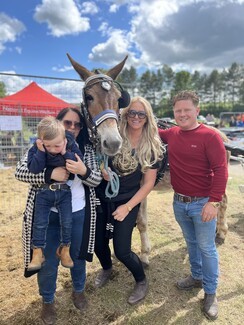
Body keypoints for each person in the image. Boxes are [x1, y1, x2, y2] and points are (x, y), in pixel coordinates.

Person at [15, 107, 102, 325]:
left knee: (77, 255)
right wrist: (48, 174)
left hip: (77, 212)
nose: (72, 128)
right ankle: (47, 301)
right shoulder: (42, 143)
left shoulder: (86, 150)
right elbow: (20, 171)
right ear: (58, 123)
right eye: (67, 123)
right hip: (48, 214)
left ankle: (78, 290)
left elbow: (96, 180)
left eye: (77, 124)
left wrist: (83, 171)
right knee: (47, 261)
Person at [158, 90, 228, 320]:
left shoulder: (210, 136)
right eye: (178, 110)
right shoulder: (172, 134)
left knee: (207, 248)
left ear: (197, 111)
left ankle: (210, 293)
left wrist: (214, 202)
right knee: (191, 243)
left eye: (187, 110)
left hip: (202, 204)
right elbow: (151, 132)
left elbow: (221, 170)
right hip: (180, 202)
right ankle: (196, 276)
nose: (182, 114)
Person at [94, 96, 164, 305]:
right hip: (104, 195)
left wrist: (128, 207)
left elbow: (148, 183)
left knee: (122, 250)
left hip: (128, 200)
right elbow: (101, 159)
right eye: (131, 112)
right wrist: (104, 171)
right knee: (98, 243)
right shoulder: (116, 135)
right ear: (125, 114)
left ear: (147, 117)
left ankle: (141, 280)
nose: (135, 117)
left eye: (140, 114)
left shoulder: (152, 145)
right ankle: (107, 269)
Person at [27, 116, 83, 271]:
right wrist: (40, 151)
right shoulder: (39, 147)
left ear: (64, 139)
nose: (52, 150)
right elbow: (34, 168)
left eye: (56, 145)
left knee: (67, 222)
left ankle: (65, 248)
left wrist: (64, 151)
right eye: (48, 146)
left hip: (64, 192)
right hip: (44, 192)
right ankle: (37, 252)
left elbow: (77, 163)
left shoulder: (70, 145)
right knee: (39, 223)